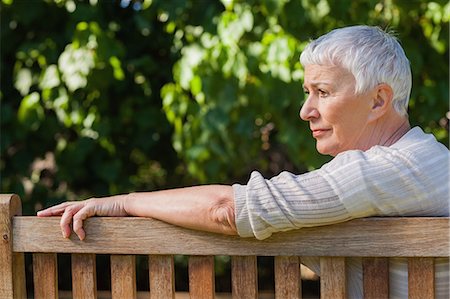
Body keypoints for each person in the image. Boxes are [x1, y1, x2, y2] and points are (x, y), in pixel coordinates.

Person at [38, 25, 449, 298]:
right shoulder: (423, 160)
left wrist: (123, 203)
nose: (306, 111)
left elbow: (228, 211)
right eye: (307, 93)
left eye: (322, 92)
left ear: (378, 100)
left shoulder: (387, 171)